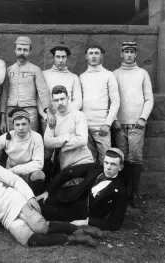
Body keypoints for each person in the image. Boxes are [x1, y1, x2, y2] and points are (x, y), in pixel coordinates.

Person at [0, 142, 105, 247]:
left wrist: (30, 197)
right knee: (29, 240)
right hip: (6, 218)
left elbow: (15, 181)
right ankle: (74, 239)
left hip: (16, 201)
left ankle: (81, 229)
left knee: (40, 227)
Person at [37, 148, 129, 231]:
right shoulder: (95, 168)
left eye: (113, 164)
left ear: (120, 167)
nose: (108, 167)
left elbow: (115, 224)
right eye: (106, 162)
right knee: (38, 201)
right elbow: (67, 173)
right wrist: (47, 191)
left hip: (77, 213)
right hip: (67, 196)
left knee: (41, 210)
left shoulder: (121, 191)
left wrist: (87, 221)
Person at [113, 41, 154, 208]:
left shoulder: (142, 73)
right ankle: (123, 192)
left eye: (132, 52)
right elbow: (111, 98)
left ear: (136, 54)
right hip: (119, 125)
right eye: (126, 52)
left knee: (135, 158)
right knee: (121, 158)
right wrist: (114, 119)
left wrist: (143, 118)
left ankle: (134, 193)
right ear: (121, 54)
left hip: (137, 125)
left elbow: (149, 98)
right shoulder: (114, 74)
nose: (129, 55)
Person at [38, 42, 83, 167]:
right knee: (47, 153)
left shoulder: (73, 77)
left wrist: (65, 114)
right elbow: (40, 97)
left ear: (67, 58)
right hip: (48, 120)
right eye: (58, 57)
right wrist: (45, 115)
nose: (61, 60)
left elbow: (78, 100)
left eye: (63, 57)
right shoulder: (44, 74)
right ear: (53, 57)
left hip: (67, 120)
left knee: (65, 150)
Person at [0, 107, 45, 195]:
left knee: (39, 175)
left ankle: (34, 198)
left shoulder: (36, 137)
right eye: (17, 125)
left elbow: (38, 163)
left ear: (29, 124)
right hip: (10, 175)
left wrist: (15, 170)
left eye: (24, 124)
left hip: (27, 173)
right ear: (13, 125)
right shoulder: (8, 136)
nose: (21, 128)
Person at [0, 36, 56, 133]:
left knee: (31, 140)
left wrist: (48, 111)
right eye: (19, 49)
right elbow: (4, 94)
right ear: (15, 50)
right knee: (12, 141)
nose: (22, 53)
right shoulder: (9, 70)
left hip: (30, 111)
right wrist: (2, 118)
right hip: (11, 111)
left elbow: (43, 91)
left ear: (30, 52)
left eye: (25, 50)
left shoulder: (35, 70)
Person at [79, 44, 120, 164]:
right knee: (87, 161)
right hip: (85, 127)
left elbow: (115, 101)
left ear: (101, 56)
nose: (93, 56)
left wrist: (107, 124)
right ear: (86, 56)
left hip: (102, 127)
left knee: (106, 161)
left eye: (96, 53)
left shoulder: (109, 75)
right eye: (91, 53)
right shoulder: (82, 77)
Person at [44, 86, 94, 171]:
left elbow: (82, 140)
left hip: (84, 161)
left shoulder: (78, 115)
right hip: (66, 166)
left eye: (62, 99)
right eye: (56, 100)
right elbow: (47, 142)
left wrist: (60, 146)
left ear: (68, 98)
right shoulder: (53, 119)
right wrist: (67, 137)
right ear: (53, 102)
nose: (60, 103)